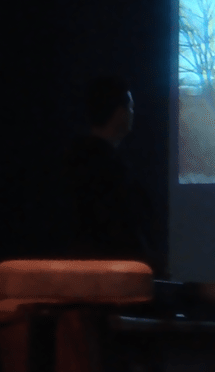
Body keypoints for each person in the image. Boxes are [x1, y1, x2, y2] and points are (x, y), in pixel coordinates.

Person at [62, 76, 167, 277]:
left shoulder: (72, 161)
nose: (133, 114)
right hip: (112, 279)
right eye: (131, 108)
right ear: (119, 113)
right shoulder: (113, 171)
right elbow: (124, 231)